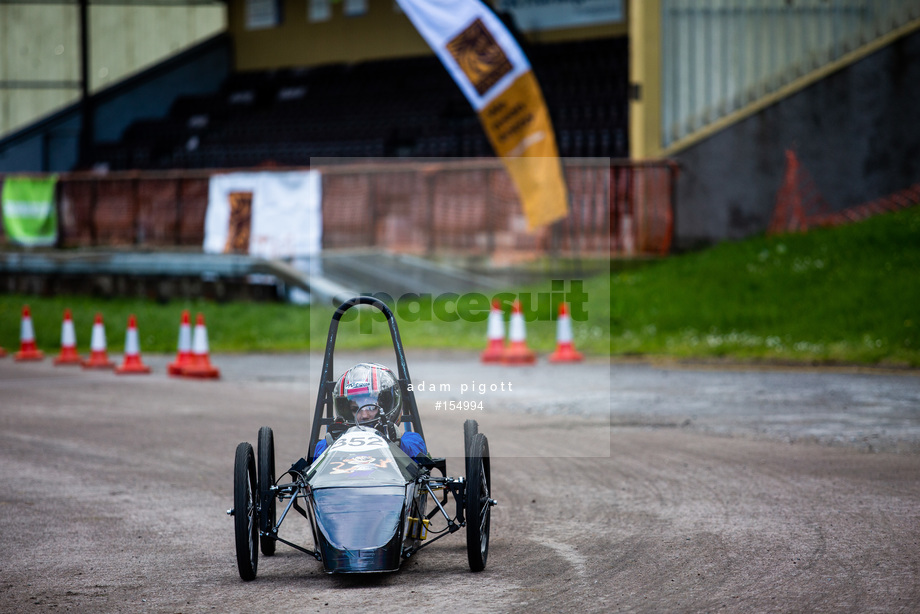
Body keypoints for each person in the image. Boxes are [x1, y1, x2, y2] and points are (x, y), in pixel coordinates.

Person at [312, 362, 428, 461]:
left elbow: (418, 451)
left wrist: (396, 443)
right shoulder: (337, 442)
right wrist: (333, 444)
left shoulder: (410, 440)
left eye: (371, 407)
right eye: (355, 409)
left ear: (384, 406)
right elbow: (316, 460)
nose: (364, 415)